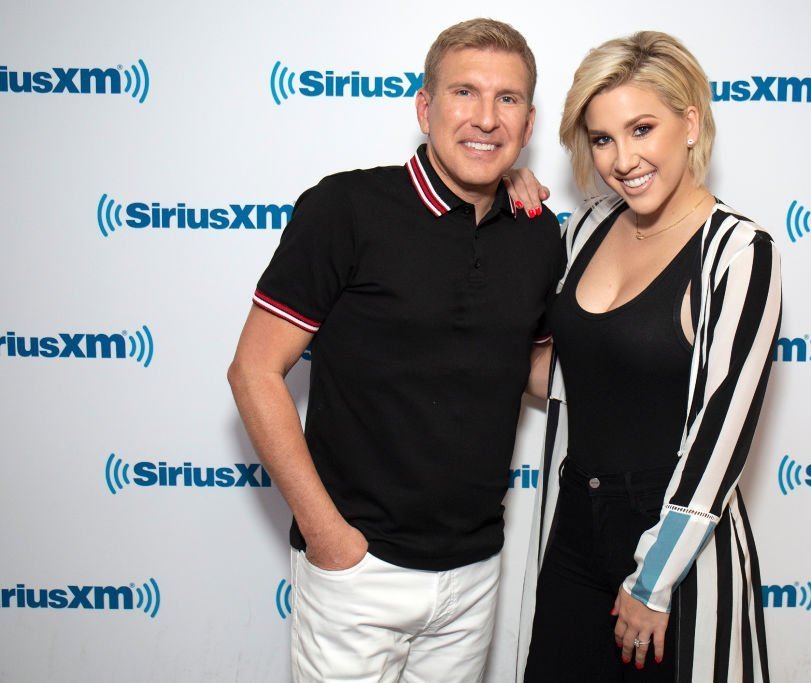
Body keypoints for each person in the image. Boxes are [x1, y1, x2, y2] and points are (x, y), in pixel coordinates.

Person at [227, 18, 563, 683]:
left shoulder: (538, 231)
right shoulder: (345, 208)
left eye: (508, 99)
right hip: (358, 568)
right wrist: (327, 535)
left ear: (528, 124)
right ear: (425, 106)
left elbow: (532, 370)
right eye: (465, 92)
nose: (486, 118)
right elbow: (254, 370)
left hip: (474, 571)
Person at [519, 32, 781, 682]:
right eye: (603, 138)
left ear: (690, 122)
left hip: (674, 546)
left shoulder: (739, 252)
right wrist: (508, 201)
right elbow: (558, 379)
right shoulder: (586, 228)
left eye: (642, 128)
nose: (622, 158)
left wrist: (653, 579)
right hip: (576, 522)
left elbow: (722, 434)